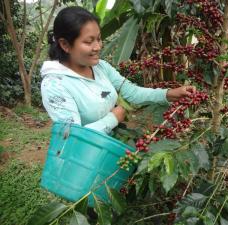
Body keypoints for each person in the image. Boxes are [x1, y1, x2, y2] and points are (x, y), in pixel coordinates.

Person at [41, 6, 196, 135]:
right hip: (84, 162)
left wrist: (170, 93)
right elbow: (72, 137)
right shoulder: (55, 85)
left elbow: (133, 93)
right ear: (65, 44)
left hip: (110, 150)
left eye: (99, 39)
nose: (98, 47)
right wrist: (113, 118)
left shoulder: (100, 67)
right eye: (89, 42)